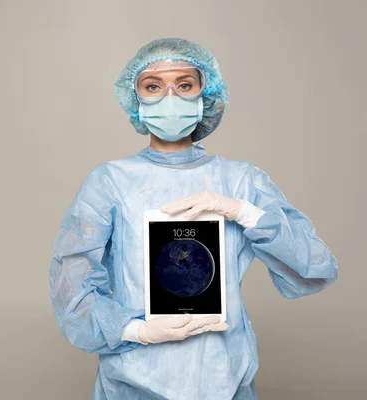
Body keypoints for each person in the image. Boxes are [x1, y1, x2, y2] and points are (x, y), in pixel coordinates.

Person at [48, 38, 338, 400]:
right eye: (153, 86)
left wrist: (243, 212)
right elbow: (71, 285)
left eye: (185, 85)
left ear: (206, 94)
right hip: (133, 380)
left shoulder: (241, 181)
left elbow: (316, 267)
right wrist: (136, 331)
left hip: (224, 377)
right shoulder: (110, 181)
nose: (170, 98)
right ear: (135, 98)